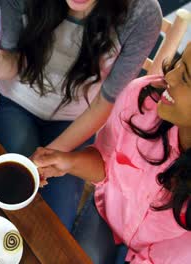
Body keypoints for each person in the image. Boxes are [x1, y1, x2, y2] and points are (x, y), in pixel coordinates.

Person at [0, 0, 162, 230]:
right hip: (16, 101)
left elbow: (104, 102)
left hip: (78, 119)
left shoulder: (142, 14)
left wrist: (51, 157)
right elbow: (14, 59)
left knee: (53, 223)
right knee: (5, 192)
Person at [33, 42, 191, 264]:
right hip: (108, 217)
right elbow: (106, 162)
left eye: (186, 79)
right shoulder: (142, 99)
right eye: (179, 62)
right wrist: (69, 162)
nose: (171, 78)